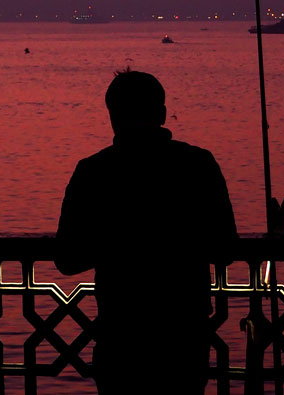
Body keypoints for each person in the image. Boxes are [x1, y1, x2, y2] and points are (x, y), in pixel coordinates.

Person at [56, 69, 237, 393]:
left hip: (121, 332)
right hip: (184, 333)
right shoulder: (199, 164)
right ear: (163, 114)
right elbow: (225, 249)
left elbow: (67, 259)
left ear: (112, 115)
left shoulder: (93, 171)